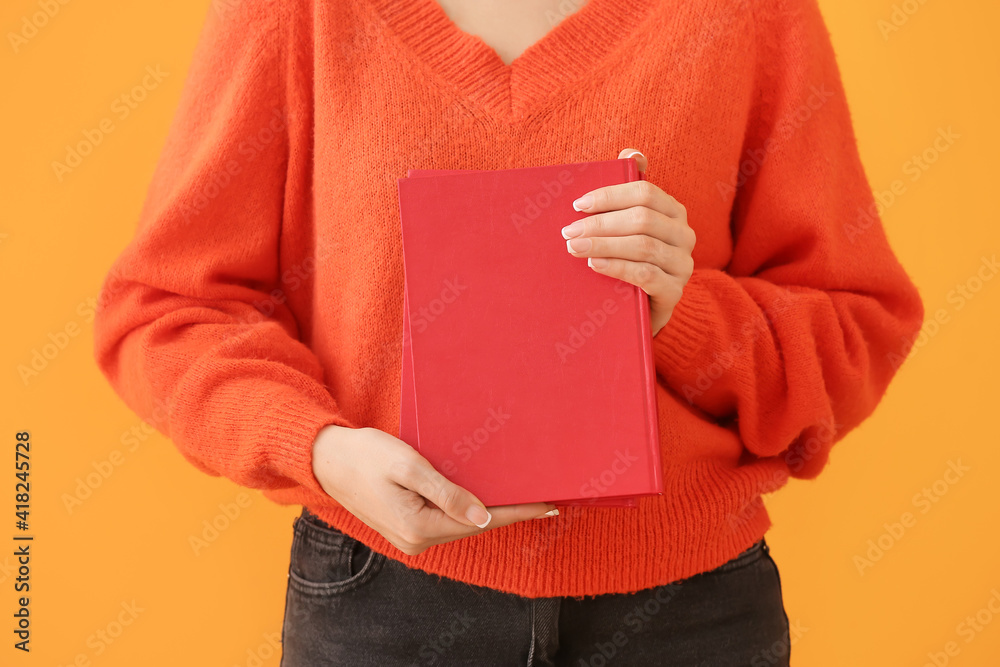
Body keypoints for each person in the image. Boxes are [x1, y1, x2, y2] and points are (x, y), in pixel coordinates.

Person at [92, 0, 925, 664]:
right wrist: (319, 448)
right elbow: (165, 311)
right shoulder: (296, 12)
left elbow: (854, 327)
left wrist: (681, 316)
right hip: (383, 607)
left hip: (690, 613)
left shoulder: (750, 16)